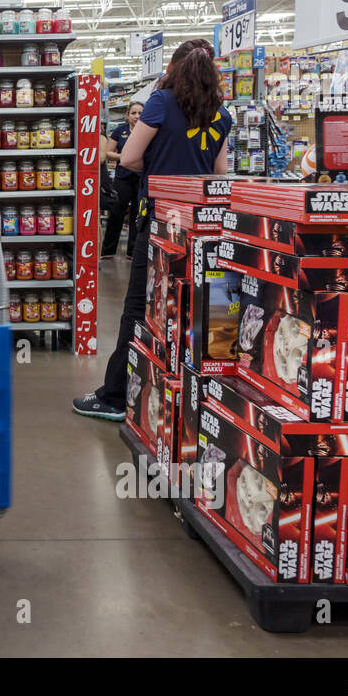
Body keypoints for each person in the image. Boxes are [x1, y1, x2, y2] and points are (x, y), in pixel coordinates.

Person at [73, 39, 231, 421]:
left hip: (161, 219)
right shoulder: (222, 114)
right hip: (202, 223)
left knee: (139, 306)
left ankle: (115, 396)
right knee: (196, 306)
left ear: (174, 68)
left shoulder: (161, 102)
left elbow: (128, 157)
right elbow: (220, 173)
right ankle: (197, 398)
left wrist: (159, 167)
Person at [101, 101, 144, 258]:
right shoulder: (120, 131)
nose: (137, 116)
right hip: (122, 178)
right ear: (128, 115)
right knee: (116, 214)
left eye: (140, 113)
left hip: (140, 178)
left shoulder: (147, 131)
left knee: (137, 216)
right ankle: (108, 251)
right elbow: (107, 152)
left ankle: (133, 252)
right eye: (134, 113)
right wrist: (123, 157)